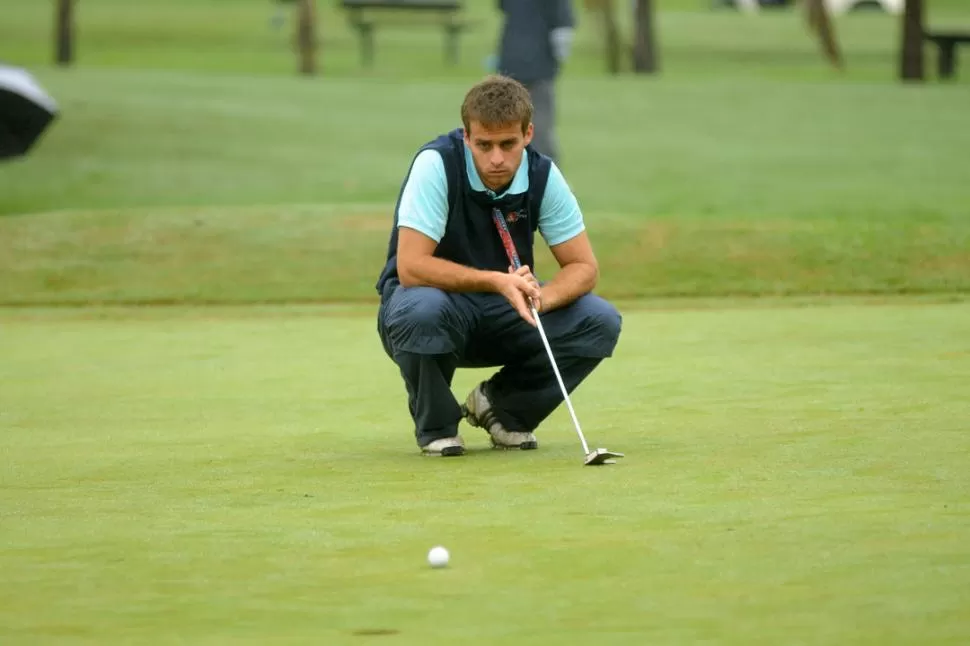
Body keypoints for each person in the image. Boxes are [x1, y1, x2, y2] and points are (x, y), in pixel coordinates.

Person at [375, 74, 621, 457]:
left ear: (528, 134)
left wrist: (543, 298)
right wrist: (495, 281)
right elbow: (411, 267)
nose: (496, 159)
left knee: (598, 319)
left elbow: (583, 266)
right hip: (431, 311)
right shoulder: (437, 165)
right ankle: (437, 427)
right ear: (466, 137)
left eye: (508, 144)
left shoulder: (542, 175)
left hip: (506, 312)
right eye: (483, 145)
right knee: (422, 308)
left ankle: (504, 410)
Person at [495, 0, 575, 165]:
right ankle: (545, 176)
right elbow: (562, 22)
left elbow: (502, 7)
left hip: (511, 56)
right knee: (540, 122)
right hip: (539, 60)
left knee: (508, 120)